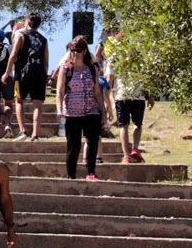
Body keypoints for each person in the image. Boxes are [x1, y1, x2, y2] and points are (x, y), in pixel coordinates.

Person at [58, 36, 105, 179]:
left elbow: (97, 91)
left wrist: (103, 110)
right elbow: (60, 92)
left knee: (92, 141)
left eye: (78, 50)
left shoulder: (92, 69)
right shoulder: (66, 69)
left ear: (84, 51)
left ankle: (91, 172)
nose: (75, 53)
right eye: (72, 50)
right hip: (72, 113)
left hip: (91, 110)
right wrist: (59, 110)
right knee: (73, 145)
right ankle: (70, 174)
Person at [105, 35, 154, 164]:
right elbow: (110, 79)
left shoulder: (121, 55)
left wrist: (150, 95)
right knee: (131, 124)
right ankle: (130, 152)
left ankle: (132, 152)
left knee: (127, 125)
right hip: (129, 94)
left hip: (128, 94)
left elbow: (109, 79)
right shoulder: (136, 53)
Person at [4, 12, 49, 141]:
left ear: (28, 21)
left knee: (19, 100)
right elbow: (46, 60)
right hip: (39, 73)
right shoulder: (43, 39)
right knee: (37, 105)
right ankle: (35, 134)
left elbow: (13, 54)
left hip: (22, 73)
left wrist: (7, 73)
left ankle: (23, 130)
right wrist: (45, 75)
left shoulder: (21, 35)